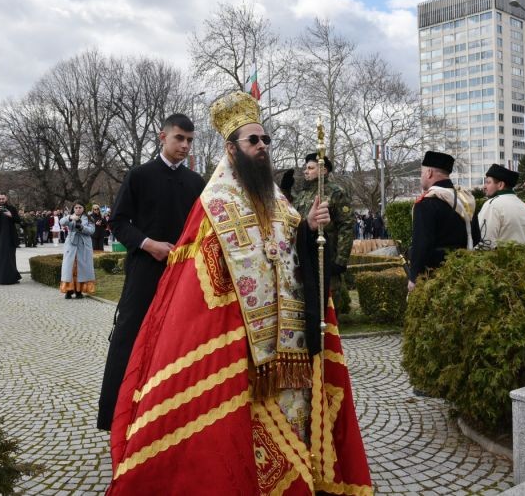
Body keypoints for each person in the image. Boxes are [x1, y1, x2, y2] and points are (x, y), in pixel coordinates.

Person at [106, 92, 371, 495]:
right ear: (232, 149)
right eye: (253, 140)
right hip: (240, 338)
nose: (263, 146)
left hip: (287, 340)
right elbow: (201, 275)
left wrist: (308, 227)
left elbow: (290, 248)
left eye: (265, 139)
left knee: (292, 413)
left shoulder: (276, 198)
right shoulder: (214, 201)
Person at [97, 113, 205, 431]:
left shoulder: (196, 183)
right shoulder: (140, 175)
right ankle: (116, 417)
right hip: (144, 271)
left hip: (184, 275)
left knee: (179, 342)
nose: (185, 145)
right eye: (179, 138)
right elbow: (118, 222)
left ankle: (170, 419)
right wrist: (148, 244)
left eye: (189, 140)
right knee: (128, 338)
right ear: (162, 137)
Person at [291, 152, 355, 314]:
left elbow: (346, 226)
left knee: (327, 308)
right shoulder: (303, 194)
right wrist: (285, 190)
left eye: (310, 168)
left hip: (326, 258)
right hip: (305, 257)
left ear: (323, 170)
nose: (306, 171)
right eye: (306, 168)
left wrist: (340, 261)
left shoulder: (336, 192)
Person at [408, 151, 475, 292]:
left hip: (434, 278)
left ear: (429, 173)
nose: (421, 177)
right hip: (464, 273)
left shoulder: (426, 203)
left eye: (422, 172)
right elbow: (476, 236)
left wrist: (413, 278)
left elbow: (422, 244)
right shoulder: (465, 200)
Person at [474, 164, 525, 249]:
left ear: (500, 185)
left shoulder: (492, 204)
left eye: (488, 182)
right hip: (523, 256)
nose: (484, 187)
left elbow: (485, 242)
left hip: (498, 257)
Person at [59, 202, 96, 299]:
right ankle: (69, 290)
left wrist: (82, 227)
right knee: (70, 267)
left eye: (80, 207)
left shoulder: (89, 218)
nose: (78, 209)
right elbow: (61, 222)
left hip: (84, 244)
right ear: (73, 208)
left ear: (83, 208)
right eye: (76, 207)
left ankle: (79, 291)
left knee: (82, 268)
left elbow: (91, 231)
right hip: (71, 244)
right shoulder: (70, 216)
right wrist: (70, 218)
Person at [0, 192, 21, 284]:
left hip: (9, 237)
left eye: (3, 199)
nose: (1, 200)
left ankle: (11, 278)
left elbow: (18, 220)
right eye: (0, 199)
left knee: (9, 258)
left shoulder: (12, 208)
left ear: (6, 198)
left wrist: (11, 215)